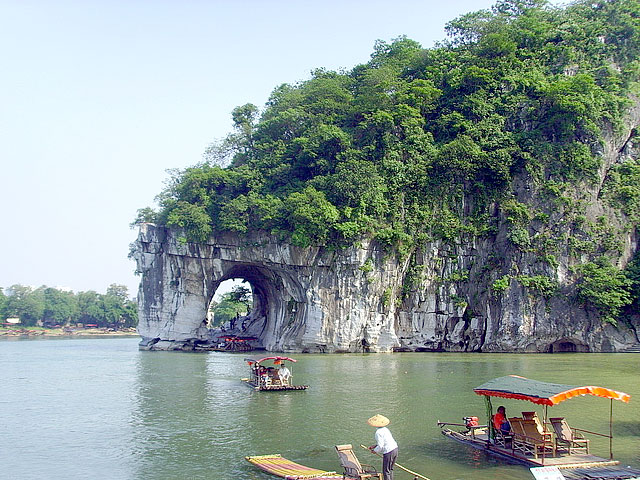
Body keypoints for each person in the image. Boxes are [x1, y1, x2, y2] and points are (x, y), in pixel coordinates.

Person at [367, 414, 398, 480]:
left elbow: (380, 446)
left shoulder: (378, 432)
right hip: (395, 449)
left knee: (386, 471)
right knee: (390, 469)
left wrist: (374, 451)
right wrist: (375, 446)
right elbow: (385, 441)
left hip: (389, 452)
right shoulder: (386, 429)